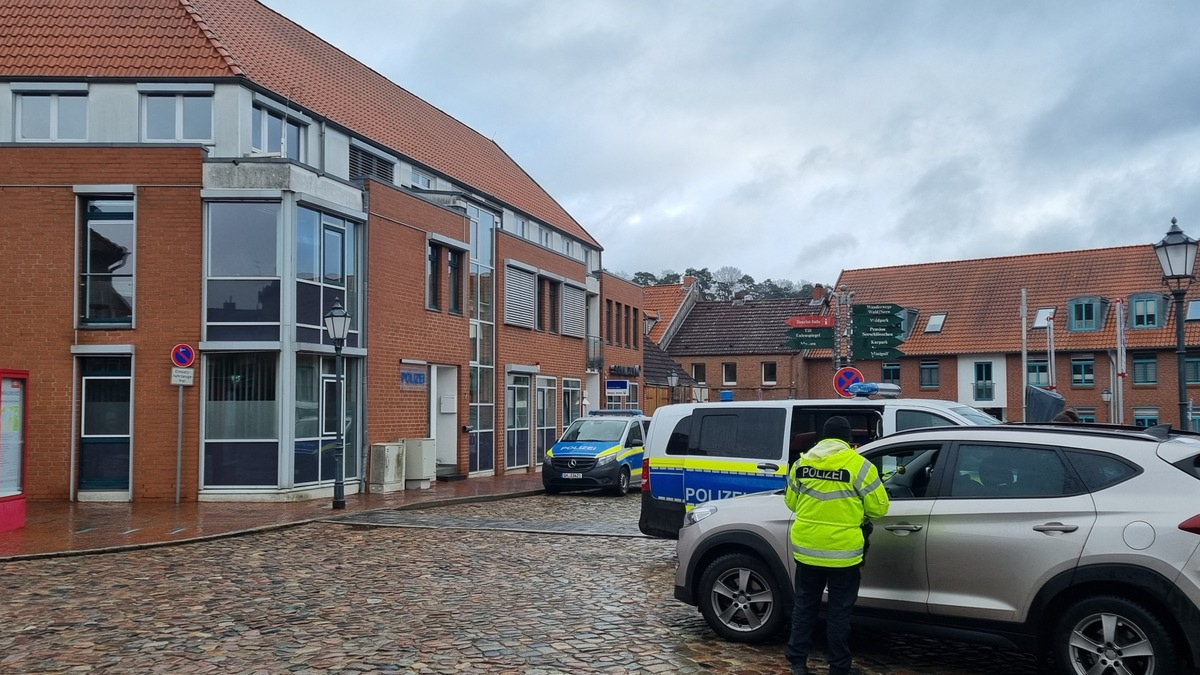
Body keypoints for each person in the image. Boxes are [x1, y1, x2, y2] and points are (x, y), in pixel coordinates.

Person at [784, 416, 890, 675]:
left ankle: (798, 663)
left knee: (804, 606)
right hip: (844, 556)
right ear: (848, 440)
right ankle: (839, 667)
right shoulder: (860, 466)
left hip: (807, 551)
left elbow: (791, 503)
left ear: (822, 437)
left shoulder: (801, 463)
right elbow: (879, 509)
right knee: (839, 612)